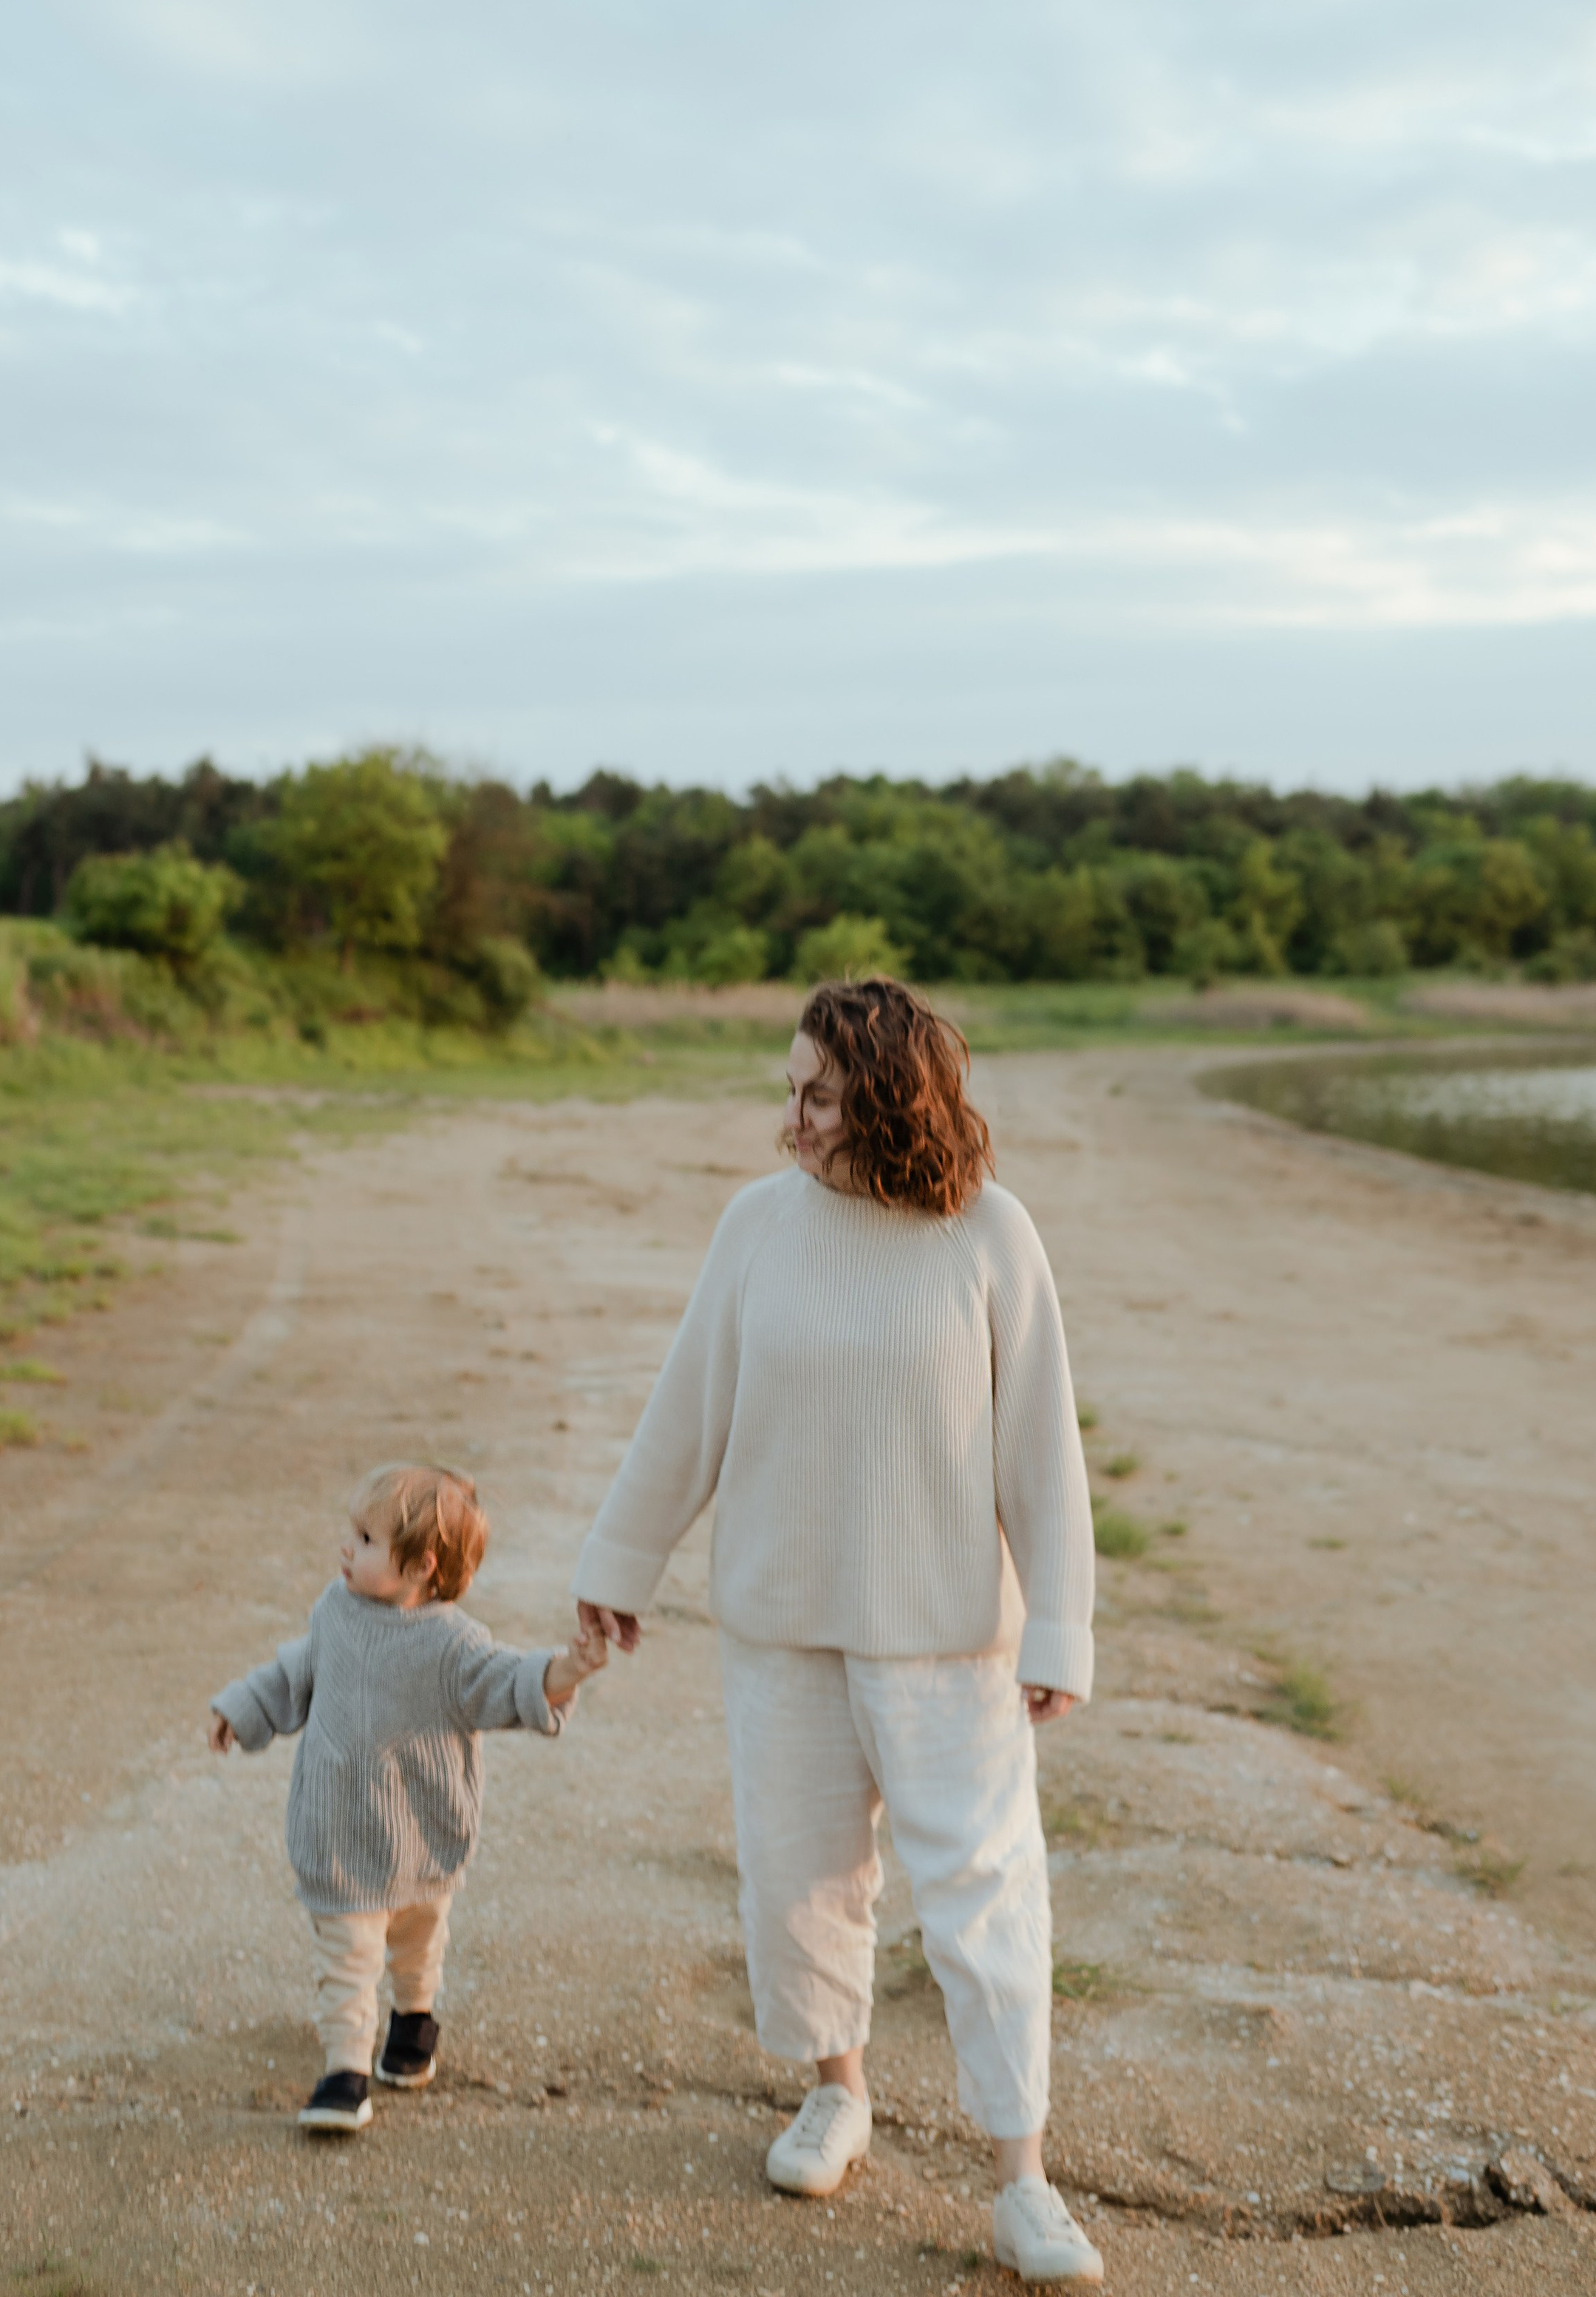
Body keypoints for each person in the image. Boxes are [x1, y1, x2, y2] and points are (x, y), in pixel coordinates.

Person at [573, 979, 1102, 2283]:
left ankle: (1022, 2178)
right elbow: (687, 1407)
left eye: (817, 1094)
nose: (790, 1119)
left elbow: (1042, 1451)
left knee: (984, 1901)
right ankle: (837, 2092)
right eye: (790, 1088)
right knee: (799, 1881)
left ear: (887, 1101)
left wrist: (1062, 1632)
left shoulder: (993, 1236)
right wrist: (619, 1562)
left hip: (947, 1639)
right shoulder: (757, 1227)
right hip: (780, 1623)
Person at [209, 1460, 607, 2132]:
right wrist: (243, 1706)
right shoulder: (335, 1612)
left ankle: (414, 2023)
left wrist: (568, 1668)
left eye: (366, 1540)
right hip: (339, 1831)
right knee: (347, 1959)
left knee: (419, 1944)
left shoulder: (453, 1645)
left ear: (422, 1567)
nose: (347, 1547)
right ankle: (345, 2070)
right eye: (353, 1533)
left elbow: (509, 1681)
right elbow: (295, 1669)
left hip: (423, 1830)